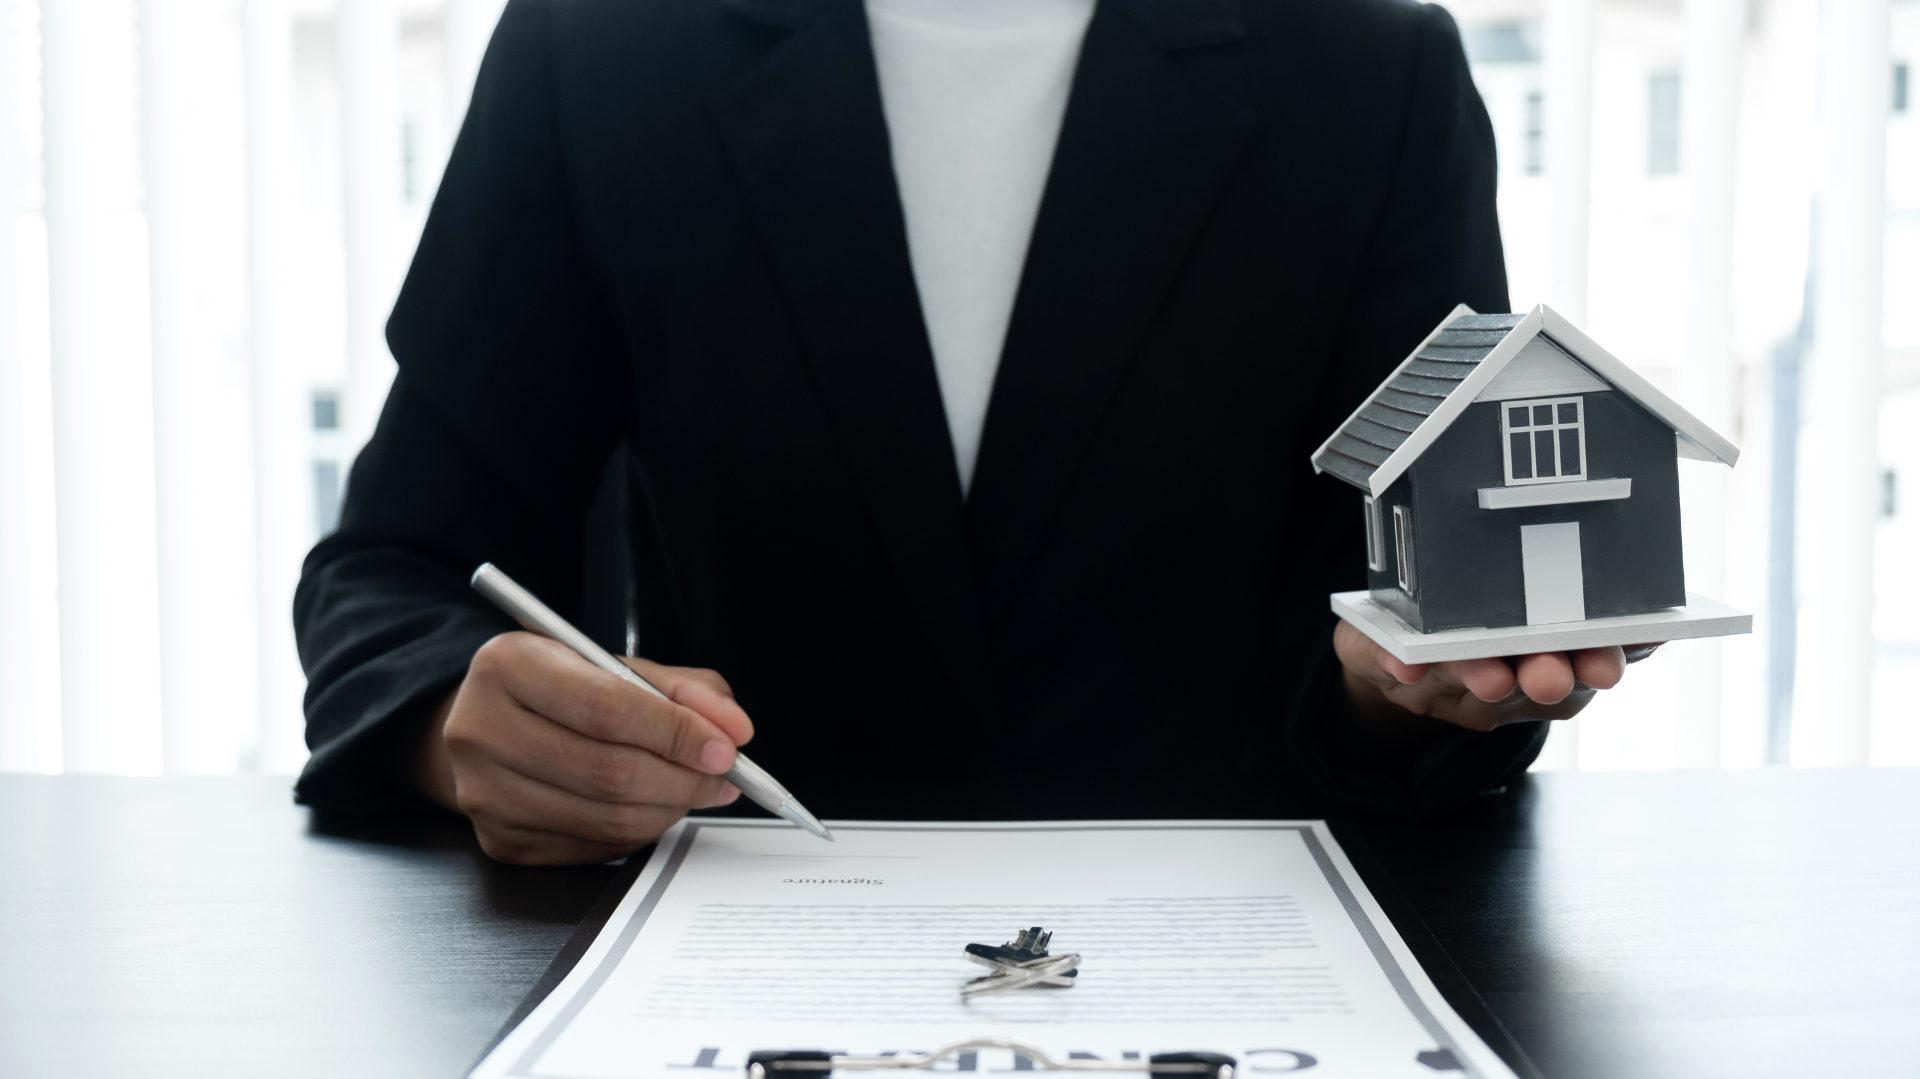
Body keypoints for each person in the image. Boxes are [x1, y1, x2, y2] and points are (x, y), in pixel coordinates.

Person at [294, 0, 1652, 866]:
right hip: (738, 948)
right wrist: (458, 720)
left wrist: (1405, 688)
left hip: (1244, 964)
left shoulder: (1373, 71)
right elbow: (398, 574)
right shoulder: (594, 53)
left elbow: (1421, 623)